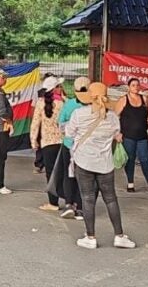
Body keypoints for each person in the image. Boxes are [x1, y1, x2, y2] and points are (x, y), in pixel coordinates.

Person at [66, 82, 136, 250]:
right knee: (111, 199)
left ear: (89, 96)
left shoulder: (79, 113)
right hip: (105, 163)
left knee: (88, 199)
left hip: (84, 161)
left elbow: (69, 133)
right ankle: (119, 236)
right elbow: (116, 134)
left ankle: (90, 237)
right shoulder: (112, 117)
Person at [116, 78, 148, 194]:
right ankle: (130, 183)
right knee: (130, 159)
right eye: (133, 85)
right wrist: (117, 133)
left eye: (137, 85)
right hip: (128, 135)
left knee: (145, 159)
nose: (136, 87)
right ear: (129, 87)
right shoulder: (123, 100)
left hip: (142, 135)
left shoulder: (144, 98)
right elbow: (116, 116)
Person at [57, 76, 91, 220]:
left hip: (69, 145)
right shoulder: (93, 106)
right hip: (87, 147)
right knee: (84, 177)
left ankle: (69, 204)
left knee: (68, 175)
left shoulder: (69, 104)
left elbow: (59, 123)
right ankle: (81, 207)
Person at [31, 76, 65, 211]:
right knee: (64, 172)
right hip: (62, 142)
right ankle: (69, 200)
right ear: (55, 88)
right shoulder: (63, 103)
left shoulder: (40, 103)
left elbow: (35, 123)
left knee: (50, 173)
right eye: (59, 86)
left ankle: (53, 202)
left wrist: (33, 141)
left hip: (47, 143)